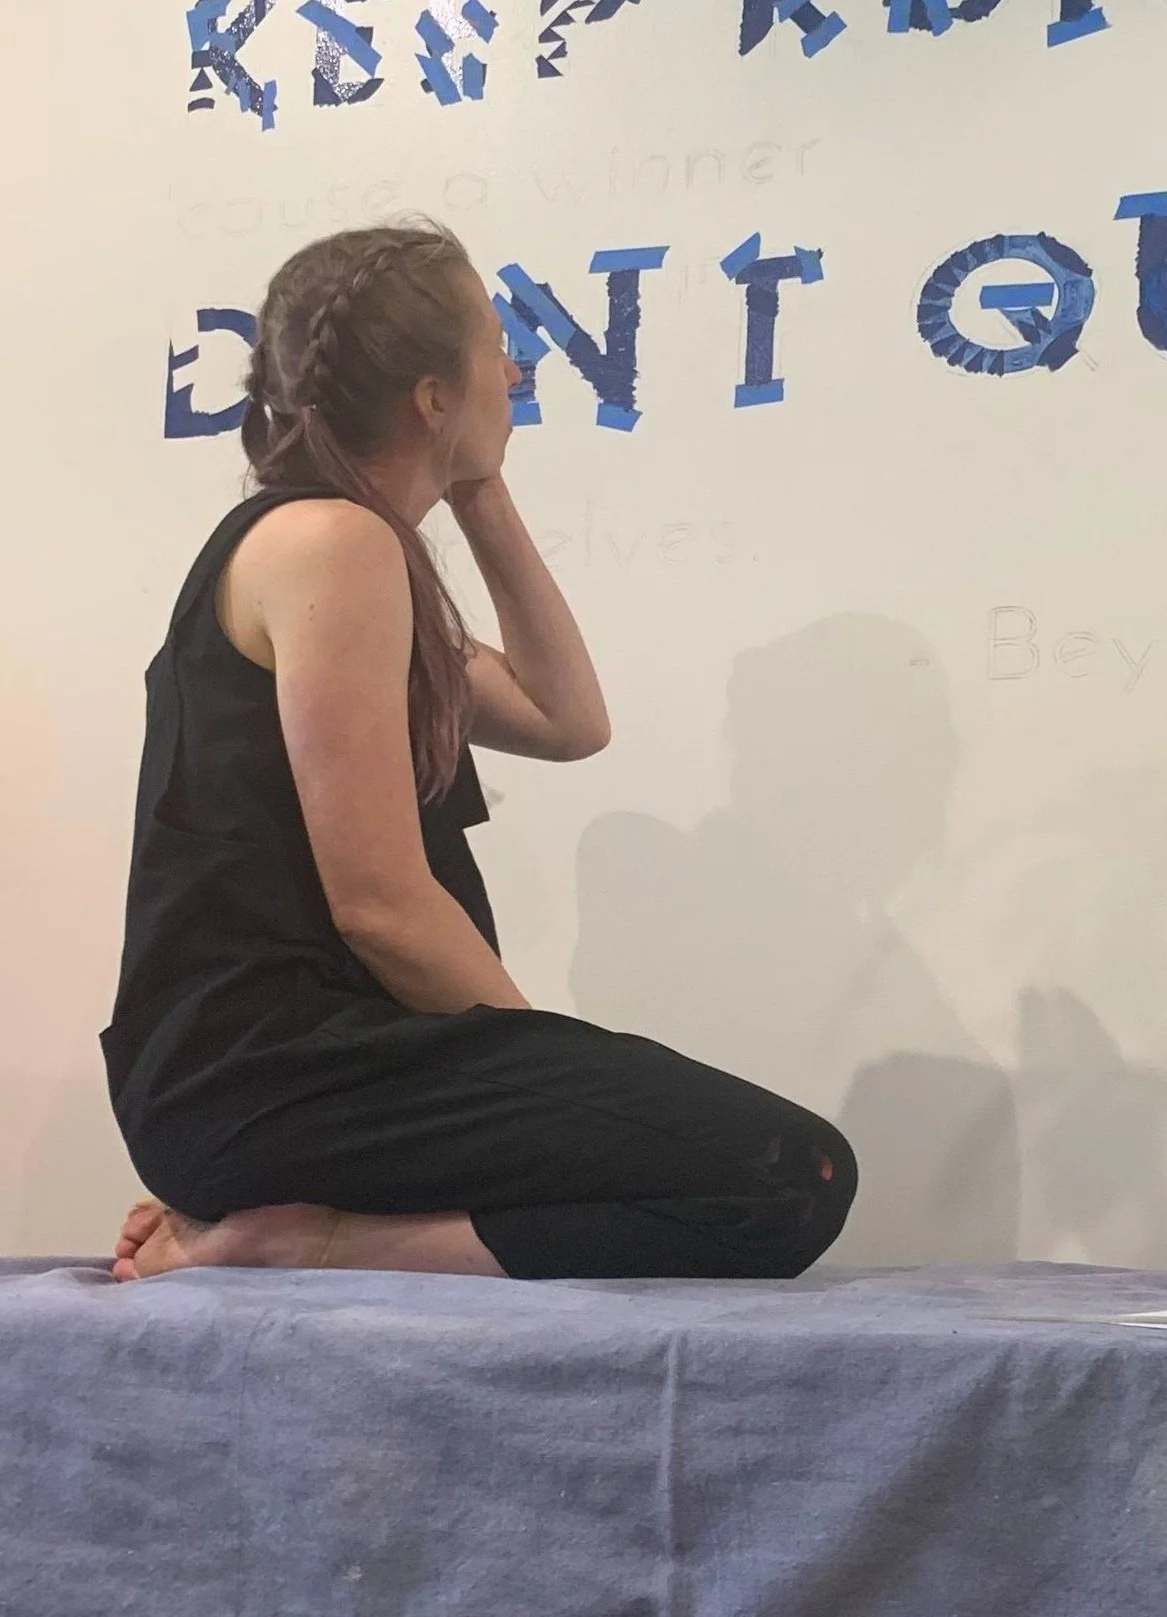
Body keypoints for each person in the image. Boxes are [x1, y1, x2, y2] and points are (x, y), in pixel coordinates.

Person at [102, 222, 856, 1281]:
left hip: (289, 1070)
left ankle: (291, 1222)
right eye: (494, 348)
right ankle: (294, 1238)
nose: (514, 372)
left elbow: (565, 719)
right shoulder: (332, 545)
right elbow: (380, 906)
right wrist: (553, 1072)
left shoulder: (353, 549)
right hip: (265, 1071)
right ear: (430, 396)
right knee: (788, 1175)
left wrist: (477, 485)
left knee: (777, 1170)